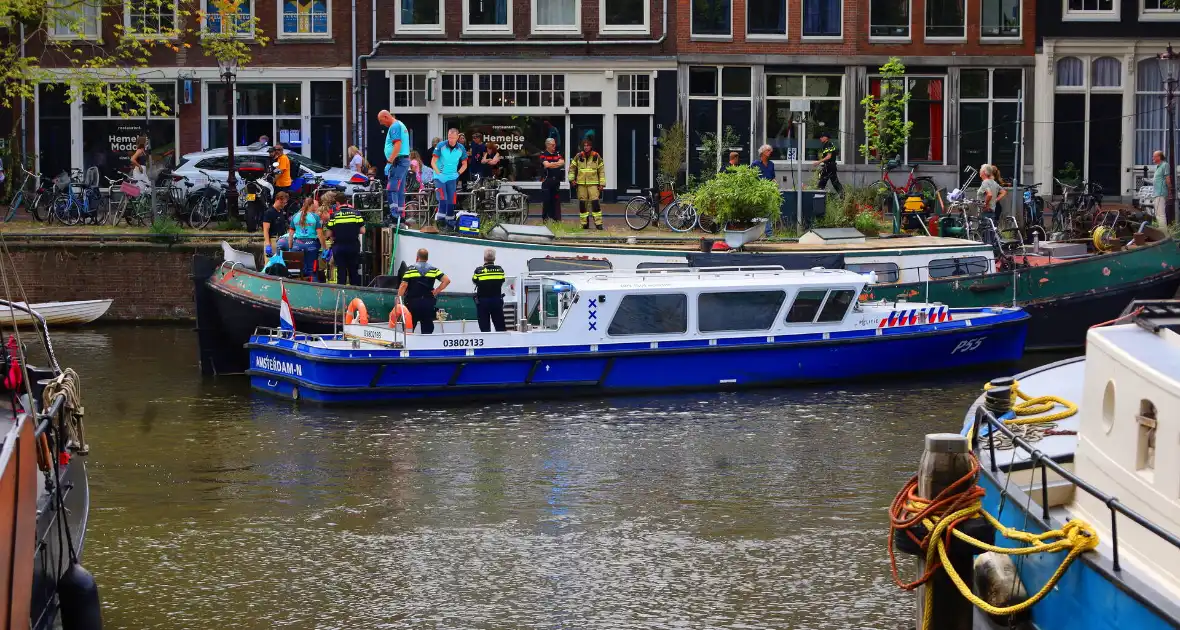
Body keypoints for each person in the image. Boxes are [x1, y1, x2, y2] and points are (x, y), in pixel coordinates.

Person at [398, 248, 451, 334]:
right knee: (427, 327)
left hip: (413, 303)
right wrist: (437, 290)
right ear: (427, 258)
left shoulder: (410, 270)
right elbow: (447, 280)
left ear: (417, 257)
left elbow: (403, 285)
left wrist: (398, 300)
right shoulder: (434, 270)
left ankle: (408, 344)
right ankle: (426, 344)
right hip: (428, 303)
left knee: (409, 327)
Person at [378, 109, 411, 222]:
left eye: (382, 121)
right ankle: (401, 216)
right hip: (403, 160)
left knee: (392, 188)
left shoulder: (394, 127)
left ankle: (394, 216)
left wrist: (389, 162)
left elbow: (397, 144)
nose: (382, 124)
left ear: (386, 117)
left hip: (398, 161)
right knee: (400, 190)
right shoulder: (401, 125)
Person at [431, 128, 468, 224]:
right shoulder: (441, 145)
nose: (450, 140)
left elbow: (465, 164)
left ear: (457, 137)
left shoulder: (461, 148)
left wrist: (458, 173)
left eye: (453, 138)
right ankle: (440, 221)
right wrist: (438, 173)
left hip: (452, 176)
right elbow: (433, 162)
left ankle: (450, 220)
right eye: (449, 137)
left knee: (451, 198)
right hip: (440, 176)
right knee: (443, 197)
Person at [326, 197, 366, 286]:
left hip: (339, 247)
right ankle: (355, 294)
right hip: (353, 246)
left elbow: (328, 234)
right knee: (353, 271)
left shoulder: (334, 215)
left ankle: (341, 293)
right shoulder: (356, 214)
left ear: (337, 203)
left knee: (341, 272)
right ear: (347, 202)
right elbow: (363, 231)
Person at [569, 138, 605, 230]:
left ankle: (598, 224)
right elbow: (572, 168)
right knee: (582, 204)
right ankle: (584, 224)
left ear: (591, 146)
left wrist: (602, 184)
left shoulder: (596, 156)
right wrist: (571, 180)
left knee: (595, 203)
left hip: (593, 184)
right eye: (584, 146)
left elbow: (601, 171)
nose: (586, 147)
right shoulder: (578, 156)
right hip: (581, 184)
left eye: (587, 145)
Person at [286, 196, 325, 280]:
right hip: (312, 245)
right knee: (312, 271)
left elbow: (290, 235)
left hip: (297, 245)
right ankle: (314, 290)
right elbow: (320, 235)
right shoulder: (315, 217)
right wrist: (324, 248)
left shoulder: (295, 216)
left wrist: (290, 248)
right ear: (311, 205)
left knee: (298, 272)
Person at [472, 248, 507, 332]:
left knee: (484, 326)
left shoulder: (478, 271)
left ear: (484, 258)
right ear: (494, 258)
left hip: (482, 301)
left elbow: (474, 281)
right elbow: (502, 280)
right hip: (496, 300)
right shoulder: (500, 270)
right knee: (500, 326)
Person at [539, 137, 565, 221]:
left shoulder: (557, 154)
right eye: (553, 145)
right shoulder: (543, 154)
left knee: (556, 201)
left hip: (556, 181)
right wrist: (556, 164)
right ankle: (545, 219)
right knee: (547, 200)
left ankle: (556, 219)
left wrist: (552, 164)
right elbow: (546, 165)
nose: (554, 147)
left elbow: (562, 163)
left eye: (555, 145)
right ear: (547, 145)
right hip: (547, 181)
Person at [813, 131, 844, 196]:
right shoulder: (826, 144)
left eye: (822, 137)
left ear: (826, 138)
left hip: (830, 166)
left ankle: (819, 198)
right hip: (829, 166)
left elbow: (829, 156)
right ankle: (843, 197)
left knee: (823, 183)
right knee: (832, 183)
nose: (820, 138)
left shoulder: (829, 144)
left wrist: (818, 162)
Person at [262, 191, 291, 256]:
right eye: (281, 203)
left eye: (284, 203)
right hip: (272, 240)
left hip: (281, 240)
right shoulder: (269, 212)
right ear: (277, 199)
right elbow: (266, 230)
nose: (283, 205)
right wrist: (268, 244)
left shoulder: (281, 211)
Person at [1153, 150, 1172, 228]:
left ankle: (1164, 234)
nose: (1153, 158)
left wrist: (1169, 191)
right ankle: (1162, 232)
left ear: (1159, 157)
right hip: (1157, 194)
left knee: (1160, 214)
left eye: (1154, 156)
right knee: (1158, 214)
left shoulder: (1165, 165)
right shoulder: (1157, 167)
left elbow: (1168, 179)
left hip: (1161, 193)